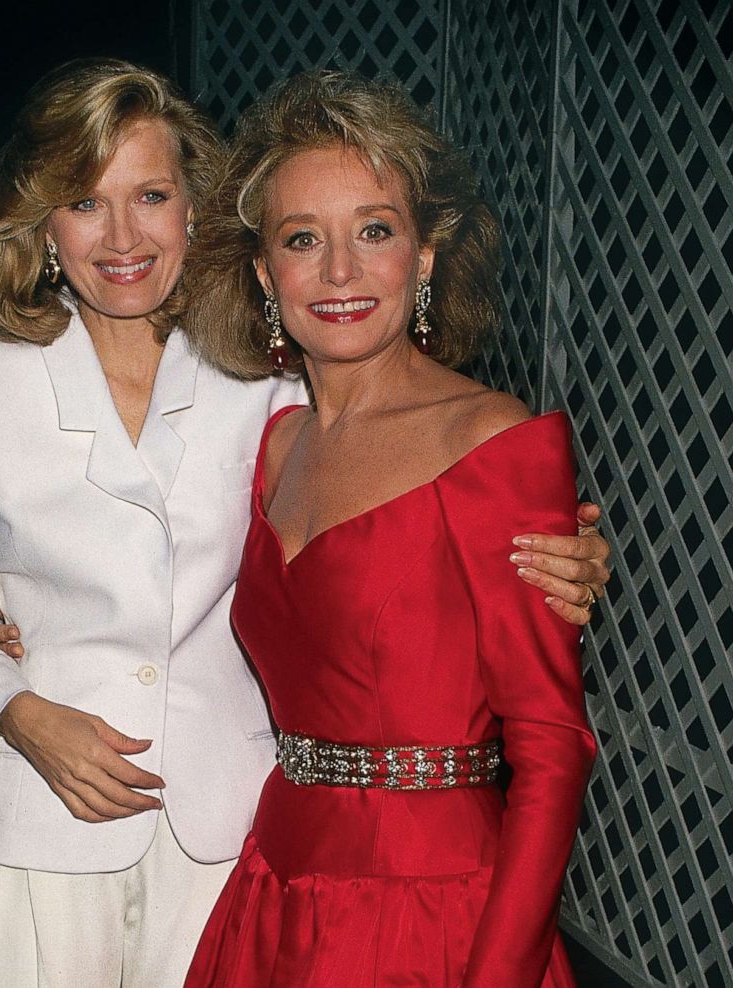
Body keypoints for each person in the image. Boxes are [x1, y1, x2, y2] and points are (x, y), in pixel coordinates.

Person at [0, 60, 608, 988]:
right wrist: (15, 705)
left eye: (151, 194)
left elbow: (426, 499)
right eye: (83, 200)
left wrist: (570, 556)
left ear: (196, 213)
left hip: (230, 840)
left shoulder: (266, 387)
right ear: (42, 224)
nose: (122, 234)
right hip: (40, 821)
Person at [181, 72, 597, 988]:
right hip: (272, 905)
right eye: (303, 239)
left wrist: (497, 975)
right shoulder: (276, 445)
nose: (339, 272)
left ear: (425, 257)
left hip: (432, 923)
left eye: (374, 230)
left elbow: (551, 747)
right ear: (263, 274)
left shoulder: (489, 439)